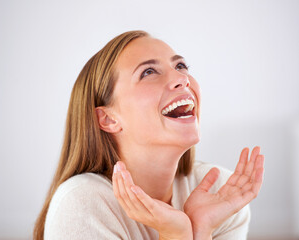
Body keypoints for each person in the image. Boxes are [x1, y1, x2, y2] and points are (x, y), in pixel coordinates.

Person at [33, 30, 265, 240]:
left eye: (181, 66)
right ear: (108, 119)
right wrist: (176, 235)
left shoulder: (221, 193)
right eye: (149, 72)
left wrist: (202, 227)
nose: (181, 79)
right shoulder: (83, 204)